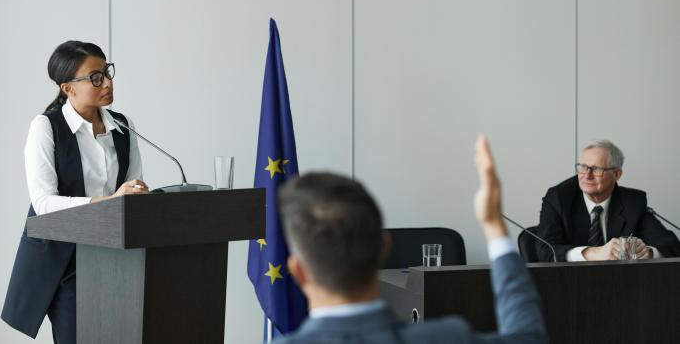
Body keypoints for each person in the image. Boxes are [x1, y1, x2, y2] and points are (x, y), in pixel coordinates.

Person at [273, 136, 547, 344]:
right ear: (385, 248)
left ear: (298, 271)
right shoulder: (449, 337)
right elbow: (529, 336)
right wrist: (493, 225)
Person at [1, 41, 150, 344]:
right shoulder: (46, 127)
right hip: (68, 261)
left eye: (107, 72)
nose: (107, 82)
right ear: (68, 88)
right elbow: (43, 204)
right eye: (96, 77)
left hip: (117, 257)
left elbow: (132, 191)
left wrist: (137, 196)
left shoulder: (123, 126)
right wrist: (108, 202)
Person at [537, 140, 680, 262]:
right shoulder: (559, 198)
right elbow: (545, 251)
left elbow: (672, 246)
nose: (587, 175)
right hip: (569, 283)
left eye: (596, 169)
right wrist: (593, 253)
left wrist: (648, 253)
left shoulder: (633, 202)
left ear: (617, 174)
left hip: (620, 285)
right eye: (582, 167)